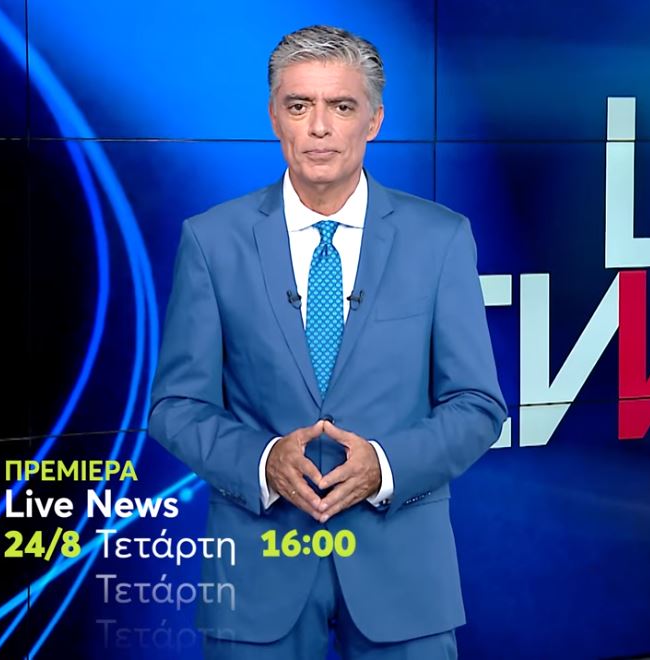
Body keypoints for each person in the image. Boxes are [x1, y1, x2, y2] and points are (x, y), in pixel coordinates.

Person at [148, 24, 507, 659]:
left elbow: (478, 404)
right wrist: (262, 461)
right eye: (299, 105)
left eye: (341, 106)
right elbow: (175, 407)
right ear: (274, 116)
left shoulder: (440, 238)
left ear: (374, 120)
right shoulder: (211, 240)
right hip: (259, 576)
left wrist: (384, 466)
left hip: (404, 576)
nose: (319, 127)